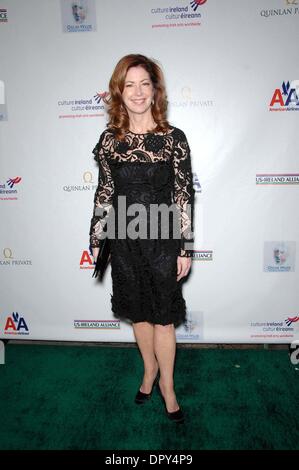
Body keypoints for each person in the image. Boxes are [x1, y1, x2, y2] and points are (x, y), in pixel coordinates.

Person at [89, 54, 195, 423]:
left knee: (163, 317)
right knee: (139, 314)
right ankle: (148, 371)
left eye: (144, 84)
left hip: (163, 238)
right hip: (124, 239)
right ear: (119, 91)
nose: (137, 92)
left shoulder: (173, 140)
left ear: (155, 90)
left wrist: (185, 246)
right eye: (129, 84)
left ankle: (168, 385)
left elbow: (183, 195)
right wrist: (96, 237)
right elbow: (104, 192)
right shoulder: (109, 141)